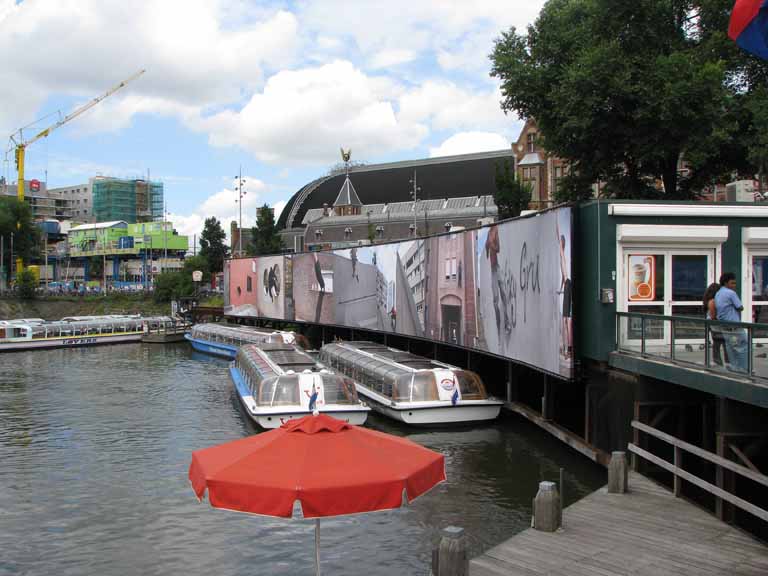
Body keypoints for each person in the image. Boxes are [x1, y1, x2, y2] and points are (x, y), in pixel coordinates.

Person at [714, 272, 747, 373]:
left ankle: (734, 367)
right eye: (732, 283)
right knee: (742, 346)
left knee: (730, 347)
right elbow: (740, 307)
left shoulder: (718, 293)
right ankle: (744, 369)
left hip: (724, 326)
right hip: (734, 325)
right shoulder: (731, 293)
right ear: (725, 283)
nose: (734, 286)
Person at [703, 282, 728, 366]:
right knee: (725, 343)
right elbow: (714, 316)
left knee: (716, 343)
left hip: (712, 326)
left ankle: (717, 361)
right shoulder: (714, 301)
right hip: (718, 325)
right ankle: (728, 362)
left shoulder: (708, 300)